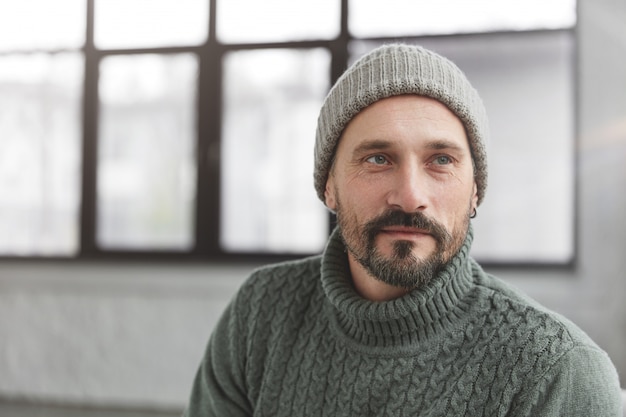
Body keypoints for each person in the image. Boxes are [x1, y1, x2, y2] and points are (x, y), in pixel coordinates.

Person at [183, 44, 622, 416]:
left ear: (475, 192)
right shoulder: (260, 315)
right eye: (378, 158)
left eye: (442, 160)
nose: (410, 196)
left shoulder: (557, 373)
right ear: (328, 186)